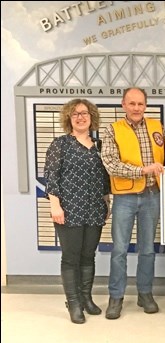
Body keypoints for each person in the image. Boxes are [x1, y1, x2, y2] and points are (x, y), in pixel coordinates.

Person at [101, 87, 165, 320]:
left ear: (145, 105)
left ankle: (145, 293)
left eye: (140, 104)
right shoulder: (112, 130)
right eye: (132, 103)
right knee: (119, 250)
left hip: (152, 195)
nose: (136, 108)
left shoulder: (157, 126)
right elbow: (110, 163)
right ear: (123, 104)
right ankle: (116, 296)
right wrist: (142, 171)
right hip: (125, 197)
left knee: (147, 249)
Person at [44, 98, 111, 324]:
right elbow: (51, 176)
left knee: (88, 256)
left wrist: (106, 202)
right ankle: (73, 302)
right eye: (75, 114)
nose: (80, 117)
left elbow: (104, 179)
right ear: (69, 119)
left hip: (94, 209)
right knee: (71, 258)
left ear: (92, 117)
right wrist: (55, 205)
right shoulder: (60, 144)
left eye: (84, 113)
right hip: (68, 210)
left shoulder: (100, 147)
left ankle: (86, 298)